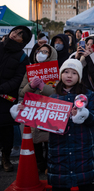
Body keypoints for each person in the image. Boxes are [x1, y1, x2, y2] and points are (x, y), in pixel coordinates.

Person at [11, 59, 94, 190]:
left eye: (74, 73)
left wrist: (85, 114)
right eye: (66, 72)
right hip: (59, 149)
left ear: (80, 76)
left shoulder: (88, 95)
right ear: (60, 74)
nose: (69, 76)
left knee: (87, 185)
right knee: (60, 185)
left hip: (83, 149)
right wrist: (23, 111)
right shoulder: (53, 97)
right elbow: (40, 119)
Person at [19, 43, 57, 173]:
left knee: (49, 141)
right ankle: (38, 164)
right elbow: (21, 92)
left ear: (51, 54)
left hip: (49, 109)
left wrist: (43, 87)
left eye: (45, 52)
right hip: (33, 109)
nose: (41, 54)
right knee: (35, 141)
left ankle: (48, 165)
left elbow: (57, 93)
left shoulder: (57, 71)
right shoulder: (30, 70)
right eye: (39, 51)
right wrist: (30, 86)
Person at [0, 26, 31, 172]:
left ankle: (6, 158)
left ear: (23, 41)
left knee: (6, 130)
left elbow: (19, 78)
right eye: (15, 31)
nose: (15, 35)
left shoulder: (23, 57)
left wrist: (2, 88)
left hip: (6, 97)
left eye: (20, 35)